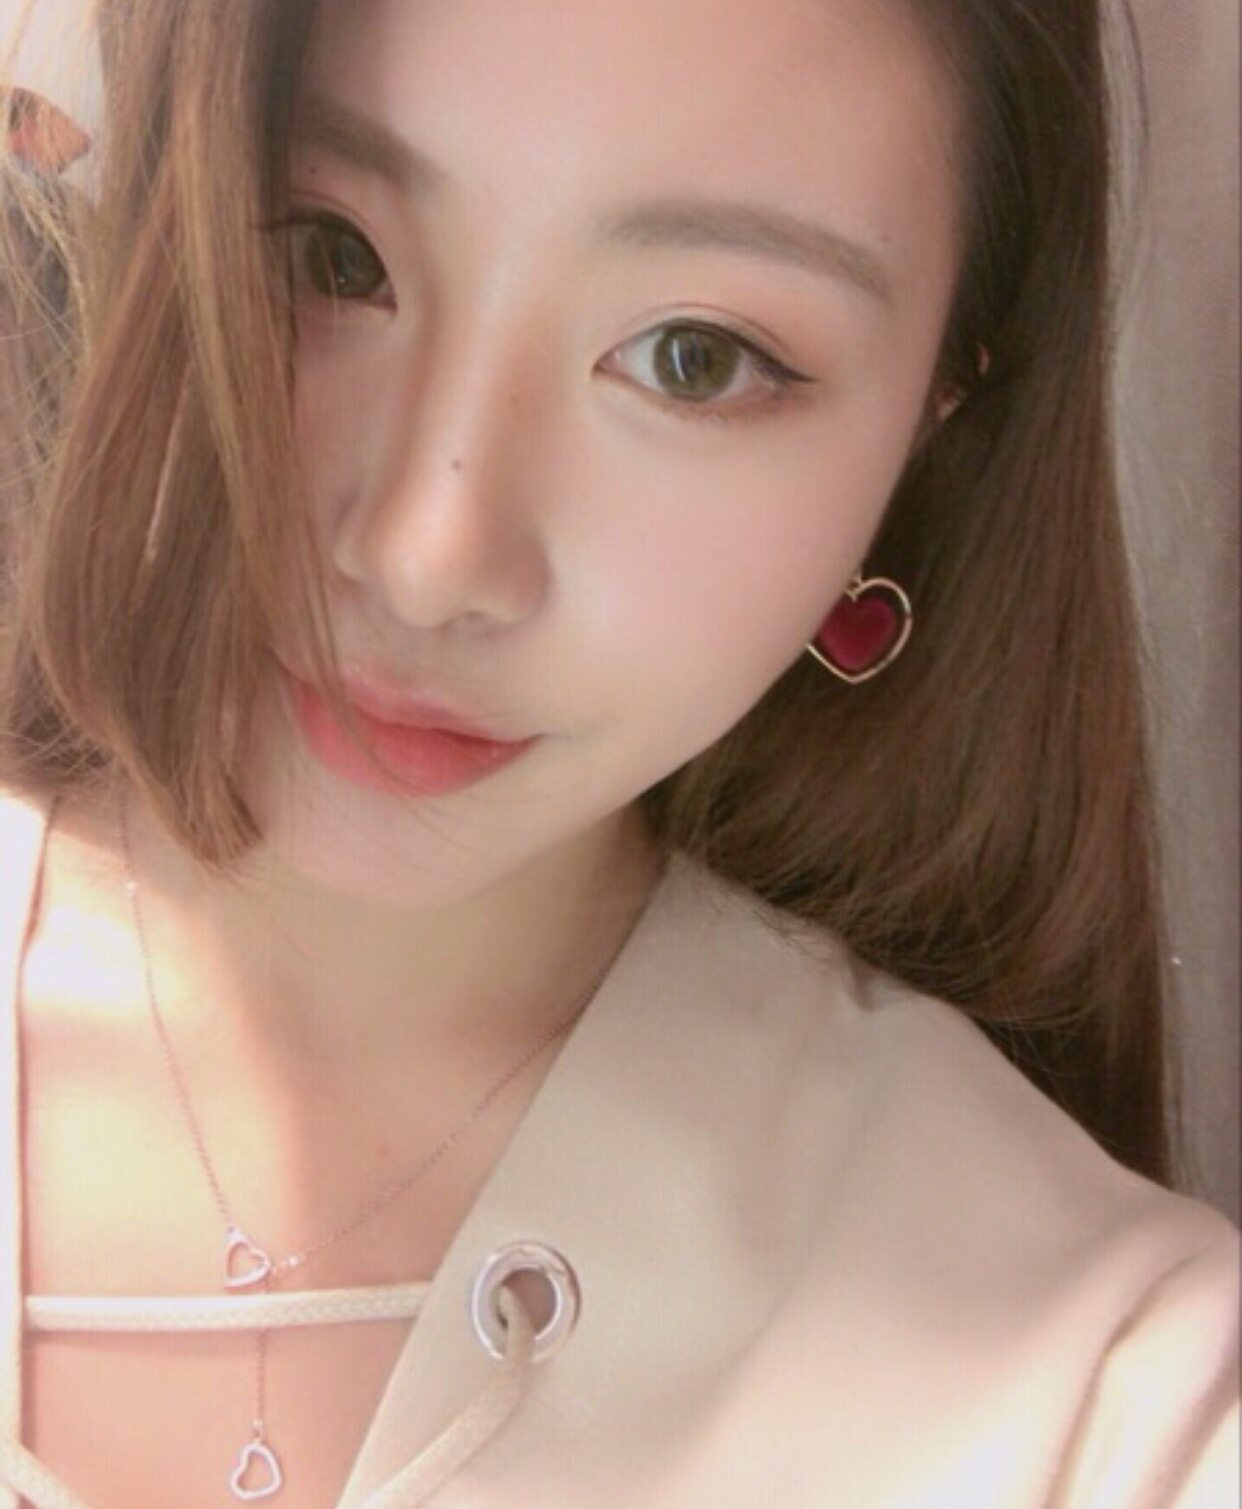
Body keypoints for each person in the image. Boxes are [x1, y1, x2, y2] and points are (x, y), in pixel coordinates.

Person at [0, 0, 1236, 1504]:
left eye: (694, 359)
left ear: (930, 420)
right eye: (334, 255)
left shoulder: (1110, 1402)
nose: (428, 557)